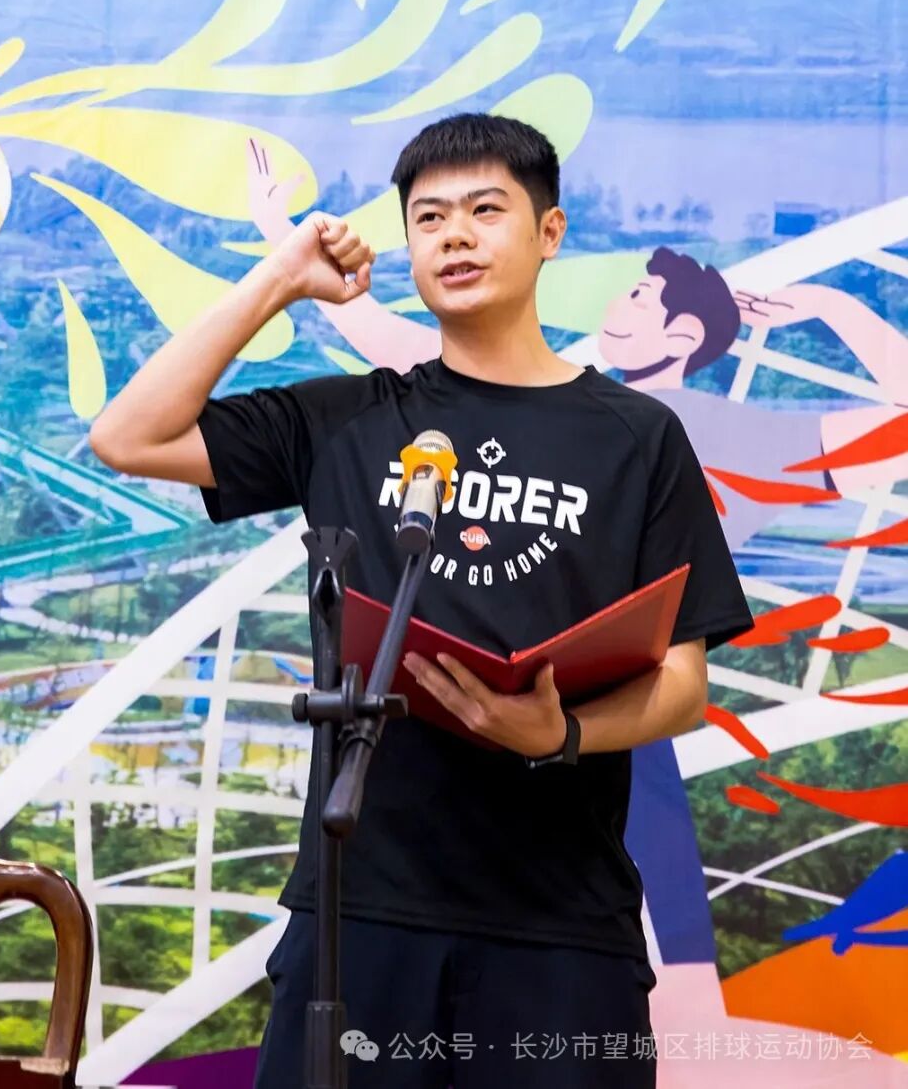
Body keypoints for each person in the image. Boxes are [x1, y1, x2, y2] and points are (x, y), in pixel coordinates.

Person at [89, 113, 755, 1087]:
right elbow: (129, 436)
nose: (455, 236)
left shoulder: (637, 437)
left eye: (486, 210)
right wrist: (280, 279)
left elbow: (683, 684)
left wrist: (560, 734)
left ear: (550, 231)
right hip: (362, 913)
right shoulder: (352, 419)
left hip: (560, 928)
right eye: (430, 218)